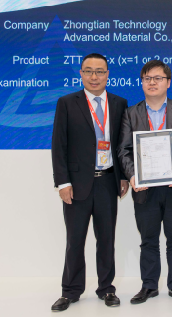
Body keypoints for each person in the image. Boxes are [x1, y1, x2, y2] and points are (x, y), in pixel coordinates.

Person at [51, 53, 129, 311]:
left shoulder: (119, 103)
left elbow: (123, 145)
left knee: (106, 240)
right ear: (81, 74)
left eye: (99, 71)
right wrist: (63, 183)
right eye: (88, 71)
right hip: (76, 185)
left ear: (108, 75)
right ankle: (70, 291)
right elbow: (59, 145)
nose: (94, 76)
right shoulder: (66, 103)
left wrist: (124, 176)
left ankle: (106, 289)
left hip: (108, 182)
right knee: (75, 240)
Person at [117, 60, 172, 305]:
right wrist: (133, 176)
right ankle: (149, 286)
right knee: (148, 240)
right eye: (147, 78)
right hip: (145, 189)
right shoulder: (131, 113)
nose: (152, 82)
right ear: (141, 82)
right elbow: (123, 150)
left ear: (168, 82)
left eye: (158, 78)